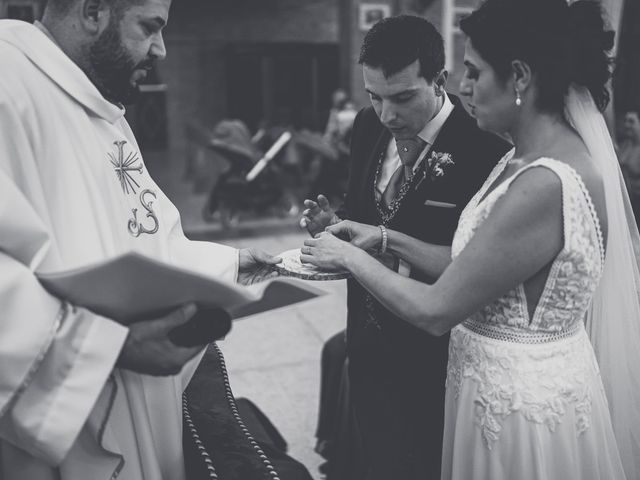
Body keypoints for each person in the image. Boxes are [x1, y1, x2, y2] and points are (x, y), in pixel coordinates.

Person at [301, 0, 640, 478]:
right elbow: (471, 266)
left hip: (518, 409)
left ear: (519, 76)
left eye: (474, 72)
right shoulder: (519, 162)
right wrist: (382, 238)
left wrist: (349, 259)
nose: (463, 86)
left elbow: (438, 309)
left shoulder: (544, 182)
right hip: (485, 389)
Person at [0, 1, 283, 479]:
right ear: (93, 12)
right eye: (150, 27)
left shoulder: (104, 111)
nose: (162, 48)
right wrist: (106, 345)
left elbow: (147, 236)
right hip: (66, 425)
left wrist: (232, 266)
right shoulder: (9, 87)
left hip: (142, 402)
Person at [301, 15, 510, 479]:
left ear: (439, 80)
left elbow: (476, 263)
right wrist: (333, 224)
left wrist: (378, 242)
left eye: (402, 97)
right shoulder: (364, 126)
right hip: (366, 342)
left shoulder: (484, 146)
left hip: (436, 358)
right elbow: (365, 213)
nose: (387, 115)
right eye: (374, 96)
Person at [619, 108, 640, 223]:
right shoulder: (623, 146)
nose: (627, 125)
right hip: (625, 207)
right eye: (625, 121)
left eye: (631, 121)